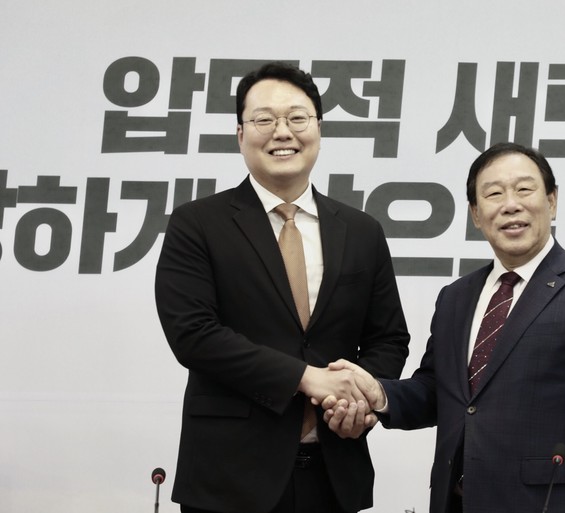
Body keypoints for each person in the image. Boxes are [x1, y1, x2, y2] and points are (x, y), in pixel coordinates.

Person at [325, 143, 565, 513]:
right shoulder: (456, 297)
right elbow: (437, 391)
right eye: (494, 194)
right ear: (476, 214)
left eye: (524, 189)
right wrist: (378, 393)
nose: (510, 204)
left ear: (552, 201)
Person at [155, 61, 410, 513]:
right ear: (240, 135)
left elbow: (388, 338)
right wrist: (306, 378)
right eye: (264, 120)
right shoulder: (197, 224)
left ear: (318, 129)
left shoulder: (362, 230)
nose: (282, 132)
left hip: (334, 474)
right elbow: (193, 335)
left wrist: (359, 401)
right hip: (228, 478)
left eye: (297, 118)